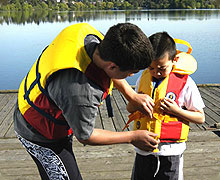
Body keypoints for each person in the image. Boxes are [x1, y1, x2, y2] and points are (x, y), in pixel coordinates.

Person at [14, 22, 159, 180]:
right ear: (112, 67)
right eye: (131, 72)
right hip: (38, 132)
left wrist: (132, 95)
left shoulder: (86, 33)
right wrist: (132, 137)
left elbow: (112, 65)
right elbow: (85, 135)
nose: (131, 76)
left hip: (36, 99)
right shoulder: (80, 91)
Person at [126, 32, 205, 180]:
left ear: (174, 60)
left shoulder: (186, 83)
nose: (156, 73)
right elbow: (129, 109)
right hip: (144, 149)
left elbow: (200, 118)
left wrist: (176, 110)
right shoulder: (143, 79)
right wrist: (137, 102)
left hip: (171, 151)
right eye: (151, 68)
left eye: (162, 68)